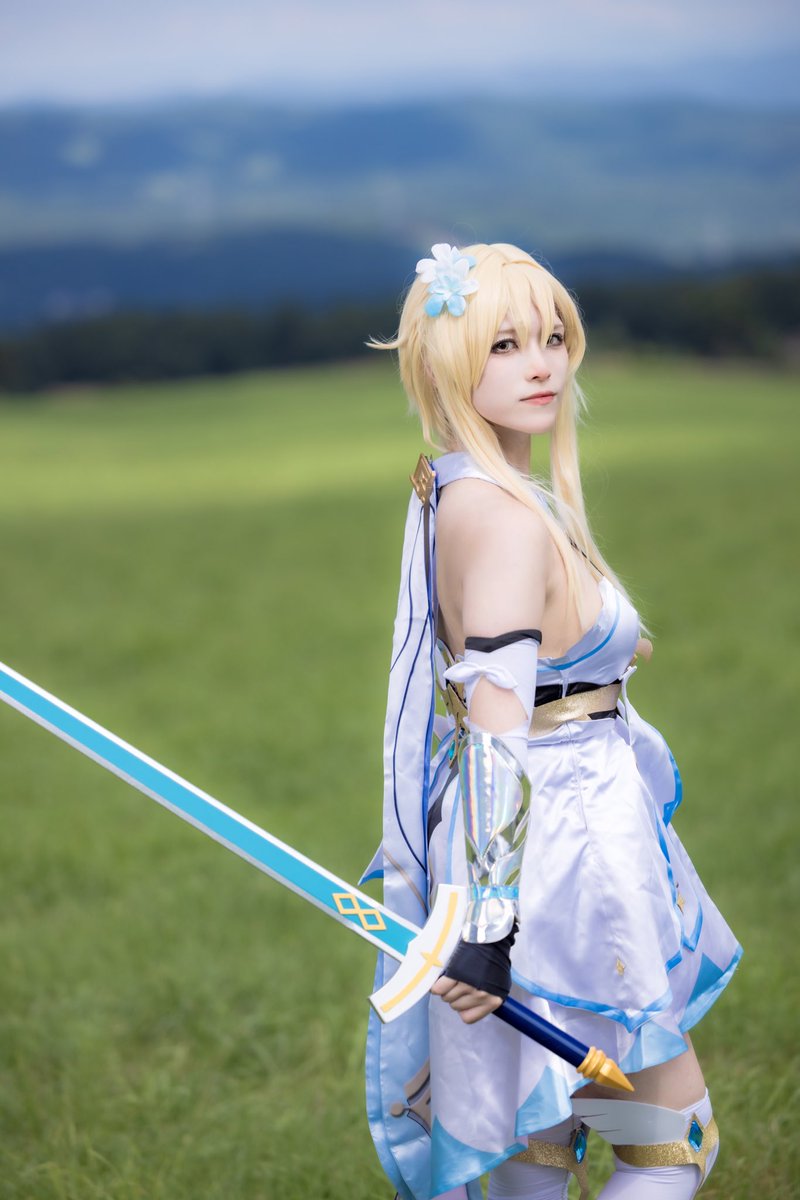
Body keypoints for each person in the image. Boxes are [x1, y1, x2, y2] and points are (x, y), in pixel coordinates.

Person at [364, 243, 741, 1200]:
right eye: (503, 345)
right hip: (561, 846)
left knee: (542, 1136)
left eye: (552, 337)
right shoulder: (504, 519)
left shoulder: (459, 492)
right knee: (671, 1145)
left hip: (529, 844)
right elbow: (497, 731)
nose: (540, 365)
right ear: (447, 365)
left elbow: (514, 679)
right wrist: (488, 927)